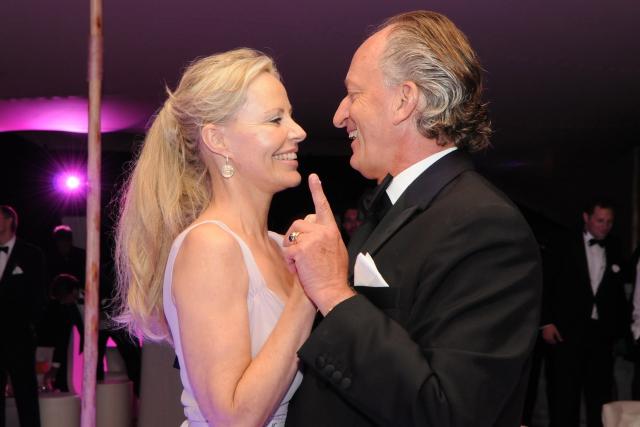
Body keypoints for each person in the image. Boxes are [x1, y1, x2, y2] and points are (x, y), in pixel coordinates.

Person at [282, 10, 542, 427]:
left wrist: (332, 291)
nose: (339, 114)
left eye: (354, 94)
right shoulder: (392, 207)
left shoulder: (486, 225)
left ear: (404, 100)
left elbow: (448, 412)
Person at [114, 48, 315, 426]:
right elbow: (233, 418)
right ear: (218, 140)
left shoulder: (278, 244)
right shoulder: (210, 246)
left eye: (290, 115)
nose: (298, 131)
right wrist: (309, 290)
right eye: (275, 119)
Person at [542, 199, 628, 427]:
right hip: (566, 330)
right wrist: (546, 322)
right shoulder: (563, 243)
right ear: (586, 218)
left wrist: (618, 331)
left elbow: (617, 294)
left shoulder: (615, 246)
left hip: (600, 334)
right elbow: (547, 283)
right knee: (564, 393)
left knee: (599, 394)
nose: (605, 226)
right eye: (600, 220)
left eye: (609, 222)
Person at [0, 205, 46, 427]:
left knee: (25, 394)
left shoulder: (31, 254)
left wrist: (29, 324)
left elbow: (39, 294)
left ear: (9, 220)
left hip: (19, 337)